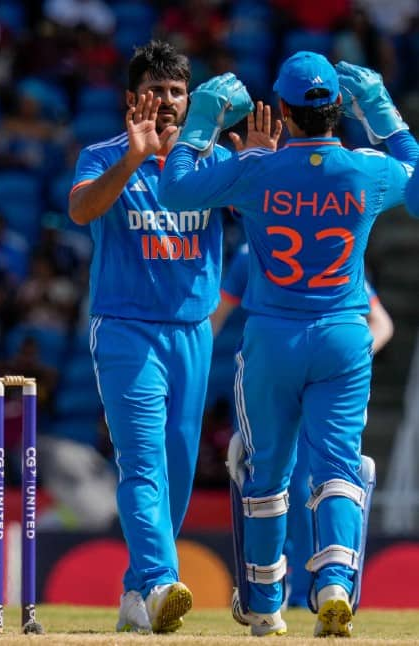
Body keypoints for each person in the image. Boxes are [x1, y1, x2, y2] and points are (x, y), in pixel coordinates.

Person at [159, 55, 417, 636]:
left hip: (273, 339)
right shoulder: (365, 170)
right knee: (339, 468)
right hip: (345, 337)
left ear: (287, 114)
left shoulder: (257, 171)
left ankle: (265, 606)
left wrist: (200, 121)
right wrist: (382, 112)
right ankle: (333, 585)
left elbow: (174, 191)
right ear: (335, 112)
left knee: (266, 473)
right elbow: (418, 181)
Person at [67, 40, 247, 634]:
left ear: (189, 99)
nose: (167, 102)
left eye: (176, 92)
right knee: (142, 465)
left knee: (176, 472)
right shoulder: (104, 154)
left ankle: (135, 595)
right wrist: (132, 160)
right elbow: (82, 211)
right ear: (131, 98)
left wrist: (260, 166)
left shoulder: (212, 162)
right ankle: (165, 580)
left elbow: (263, 218)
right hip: (125, 330)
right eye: (155, 91)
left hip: (193, 334)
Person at [211, 243, 394, 609]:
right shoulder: (333, 245)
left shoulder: (255, 250)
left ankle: (269, 596)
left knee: (274, 484)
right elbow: (381, 324)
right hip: (313, 379)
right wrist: (345, 368)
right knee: (321, 481)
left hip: (269, 374)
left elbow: (213, 321)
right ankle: (327, 584)